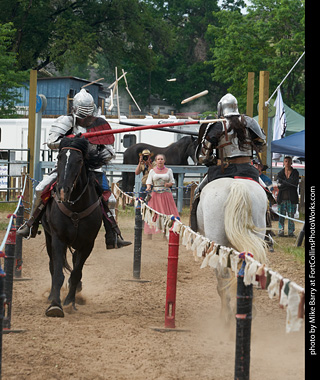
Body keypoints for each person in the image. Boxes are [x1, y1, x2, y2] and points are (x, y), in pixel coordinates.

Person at [17, 89, 131, 249]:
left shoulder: (99, 123)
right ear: (76, 108)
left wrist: (93, 154)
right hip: (66, 167)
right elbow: (51, 142)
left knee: (109, 199)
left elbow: (110, 151)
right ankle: (31, 225)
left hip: (92, 168)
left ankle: (112, 235)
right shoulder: (66, 121)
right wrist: (72, 141)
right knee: (41, 188)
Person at [191, 93, 266, 231]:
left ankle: (194, 230)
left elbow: (203, 157)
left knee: (197, 192)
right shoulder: (249, 122)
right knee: (266, 194)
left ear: (221, 109)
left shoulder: (216, 126)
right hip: (247, 169)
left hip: (223, 170)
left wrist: (216, 161)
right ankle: (268, 235)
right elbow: (262, 143)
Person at [144, 154, 180, 237]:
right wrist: (148, 187)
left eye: (162, 159)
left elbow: (172, 182)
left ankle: (165, 233)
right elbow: (149, 182)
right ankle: (150, 234)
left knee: (166, 213)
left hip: (166, 194)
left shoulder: (169, 170)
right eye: (158, 159)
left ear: (164, 161)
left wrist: (168, 184)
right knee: (153, 213)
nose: (160, 160)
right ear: (156, 161)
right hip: (155, 194)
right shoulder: (152, 171)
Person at [276, 156, 299, 237]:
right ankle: (280, 231)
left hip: (292, 199)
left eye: (289, 161)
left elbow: (295, 184)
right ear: (283, 162)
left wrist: (284, 183)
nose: (287, 163)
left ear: (291, 163)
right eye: (286, 161)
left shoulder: (295, 172)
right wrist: (289, 183)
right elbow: (279, 186)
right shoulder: (280, 173)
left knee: (291, 216)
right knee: (281, 216)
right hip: (282, 198)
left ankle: (291, 232)